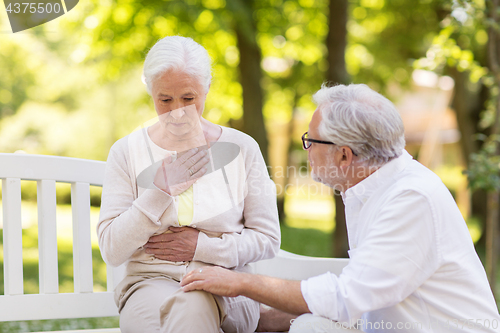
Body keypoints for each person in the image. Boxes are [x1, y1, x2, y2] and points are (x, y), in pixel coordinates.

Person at [181, 83, 500, 333]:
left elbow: (349, 297)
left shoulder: (411, 199)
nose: (306, 150)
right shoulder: (371, 188)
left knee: (310, 330)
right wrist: (264, 320)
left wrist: (241, 284)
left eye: (311, 141)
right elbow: (367, 301)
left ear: (344, 156)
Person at [97, 36, 280, 333]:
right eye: (165, 100)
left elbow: (267, 239)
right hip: (149, 286)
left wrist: (201, 248)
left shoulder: (242, 148)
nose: (178, 112)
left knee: (194, 303)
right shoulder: (126, 151)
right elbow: (112, 249)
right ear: (150, 92)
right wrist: (159, 192)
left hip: (226, 285)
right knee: (187, 311)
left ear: (207, 88)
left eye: (189, 98)